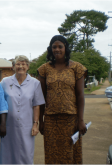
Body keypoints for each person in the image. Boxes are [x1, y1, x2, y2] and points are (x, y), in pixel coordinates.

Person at [37, 35, 88, 165]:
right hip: (50, 119)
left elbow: (80, 95)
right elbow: (41, 96)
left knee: (71, 152)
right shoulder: (44, 69)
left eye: (60, 46)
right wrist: (41, 121)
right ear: (50, 49)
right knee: (52, 153)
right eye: (54, 47)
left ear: (65, 48)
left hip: (71, 119)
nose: (57, 49)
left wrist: (81, 120)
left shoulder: (77, 68)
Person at [0, 55, 45, 165]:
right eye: (18, 64)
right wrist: (1, 124)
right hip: (8, 126)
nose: (21, 66)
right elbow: (0, 102)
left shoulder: (35, 83)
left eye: (24, 64)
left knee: (26, 154)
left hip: (27, 127)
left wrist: (35, 124)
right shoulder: (5, 82)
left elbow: (36, 105)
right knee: (7, 154)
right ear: (13, 67)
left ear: (28, 67)